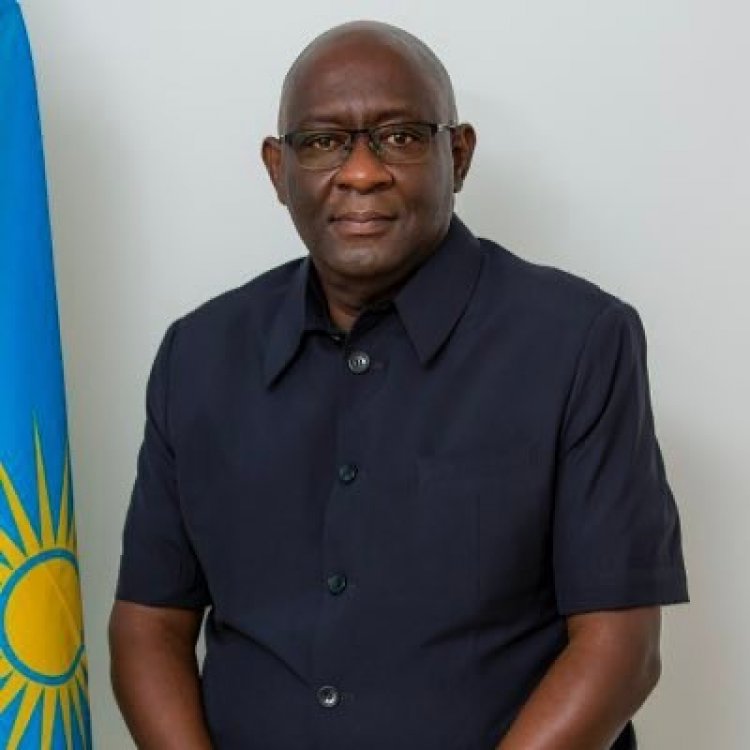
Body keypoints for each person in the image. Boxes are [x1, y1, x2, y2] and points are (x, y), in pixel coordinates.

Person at [109, 20, 688, 750]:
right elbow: (149, 628)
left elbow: (620, 651)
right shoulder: (197, 355)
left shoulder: (578, 342)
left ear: (459, 154)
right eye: (323, 141)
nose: (361, 173)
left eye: (401, 136)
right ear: (277, 169)